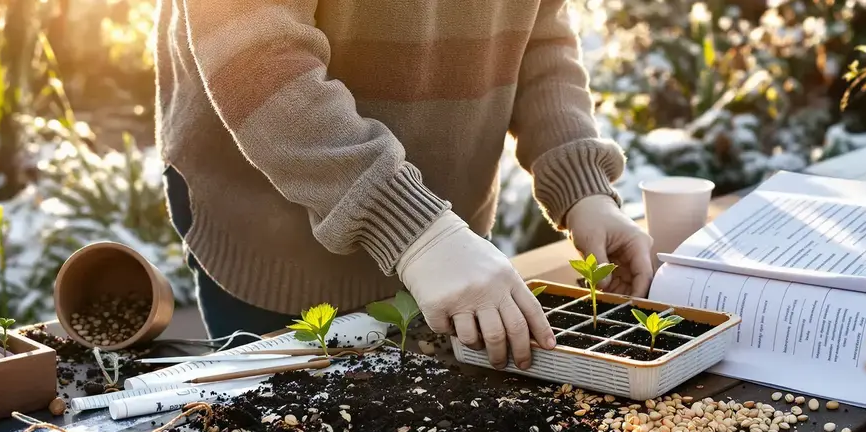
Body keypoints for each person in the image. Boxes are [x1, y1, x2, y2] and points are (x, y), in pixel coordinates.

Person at [155, 0, 654, 370]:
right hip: (271, 229)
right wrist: (416, 232)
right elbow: (257, 56)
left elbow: (538, 29)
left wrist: (581, 185)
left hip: (446, 236)